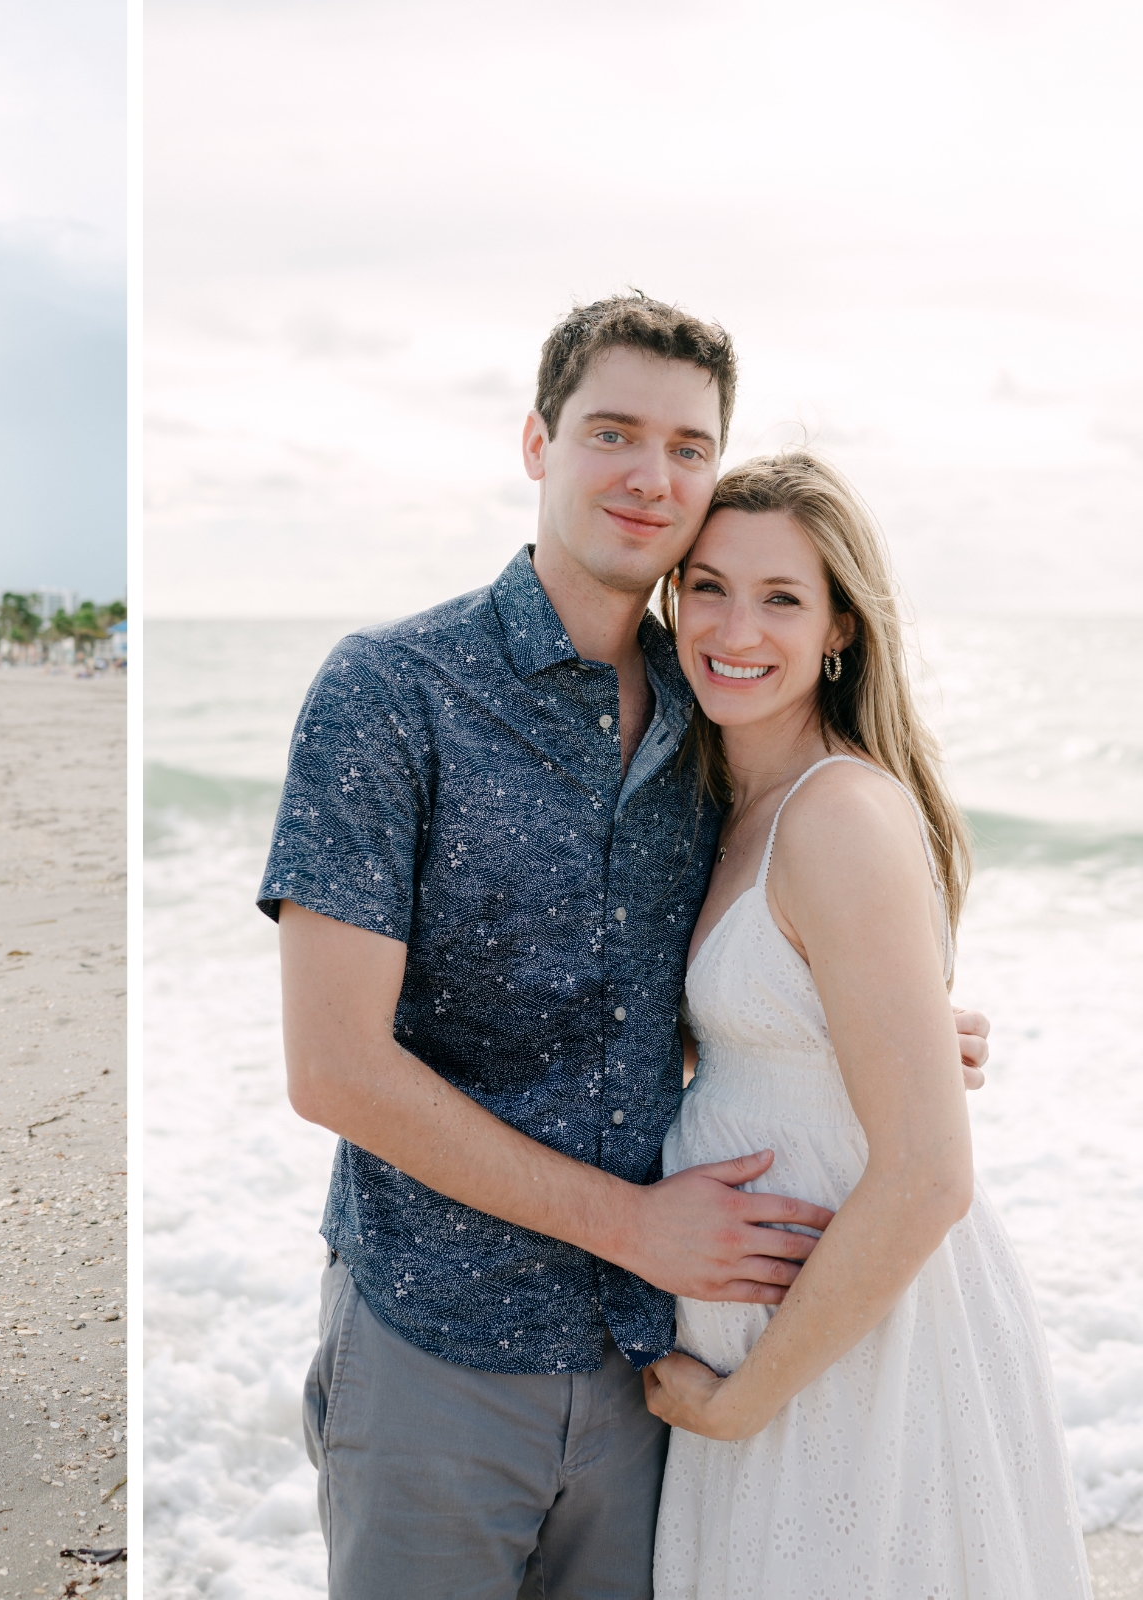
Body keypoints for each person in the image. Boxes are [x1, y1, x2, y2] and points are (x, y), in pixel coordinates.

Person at [263, 293, 993, 1597]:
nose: (653, 477)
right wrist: (638, 1230)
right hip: (440, 1345)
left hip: (646, 1378)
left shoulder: (713, 718)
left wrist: (877, 1034)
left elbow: (756, 956)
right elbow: (332, 1070)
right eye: (613, 432)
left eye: (688, 446)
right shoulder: (388, 694)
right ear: (538, 443)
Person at [642, 453, 1088, 1596]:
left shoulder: (834, 812)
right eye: (705, 585)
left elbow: (930, 1174)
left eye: (780, 597)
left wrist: (738, 1404)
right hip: (793, 1355)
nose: (733, 625)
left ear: (839, 625)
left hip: (854, 1356)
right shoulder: (724, 803)